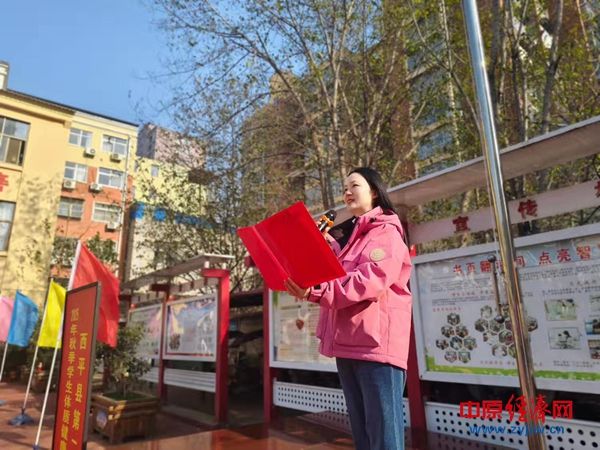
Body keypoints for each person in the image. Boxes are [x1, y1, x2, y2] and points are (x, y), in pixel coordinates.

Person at [285, 167, 412, 450]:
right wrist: (314, 246)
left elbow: (368, 281)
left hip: (376, 349)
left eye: (354, 185)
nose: (347, 192)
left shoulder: (386, 232)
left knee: (384, 436)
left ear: (374, 192)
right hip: (347, 345)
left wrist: (316, 291)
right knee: (363, 435)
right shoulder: (349, 238)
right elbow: (330, 275)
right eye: (344, 188)